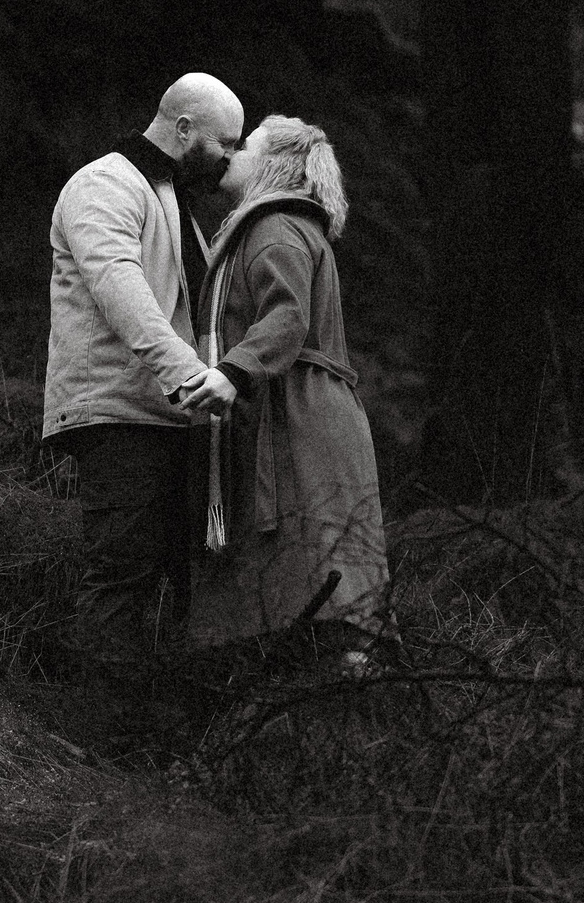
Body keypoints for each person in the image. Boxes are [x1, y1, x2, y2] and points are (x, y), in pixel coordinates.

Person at [43, 73, 247, 661]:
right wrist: (192, 377)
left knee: (176, 579)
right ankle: (103, 733)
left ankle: (155, 723)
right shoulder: (105, 183)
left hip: (168, 414)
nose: (230, 159)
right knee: (122, 577)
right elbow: (120, 289)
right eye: (225, 144)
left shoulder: (171, 198)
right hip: (116, 414)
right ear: (183, 129)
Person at [186, 115, 387, 653]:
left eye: (245, 145)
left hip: (298, 421)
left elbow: (286, 317)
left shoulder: (275, 228)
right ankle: (332, 707)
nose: (230, 153)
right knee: (324, 573)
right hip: (302, 414)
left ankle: (324, 708)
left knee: (315, 574)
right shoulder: (284, 226)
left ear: (274, 162)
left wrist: (233, 371)